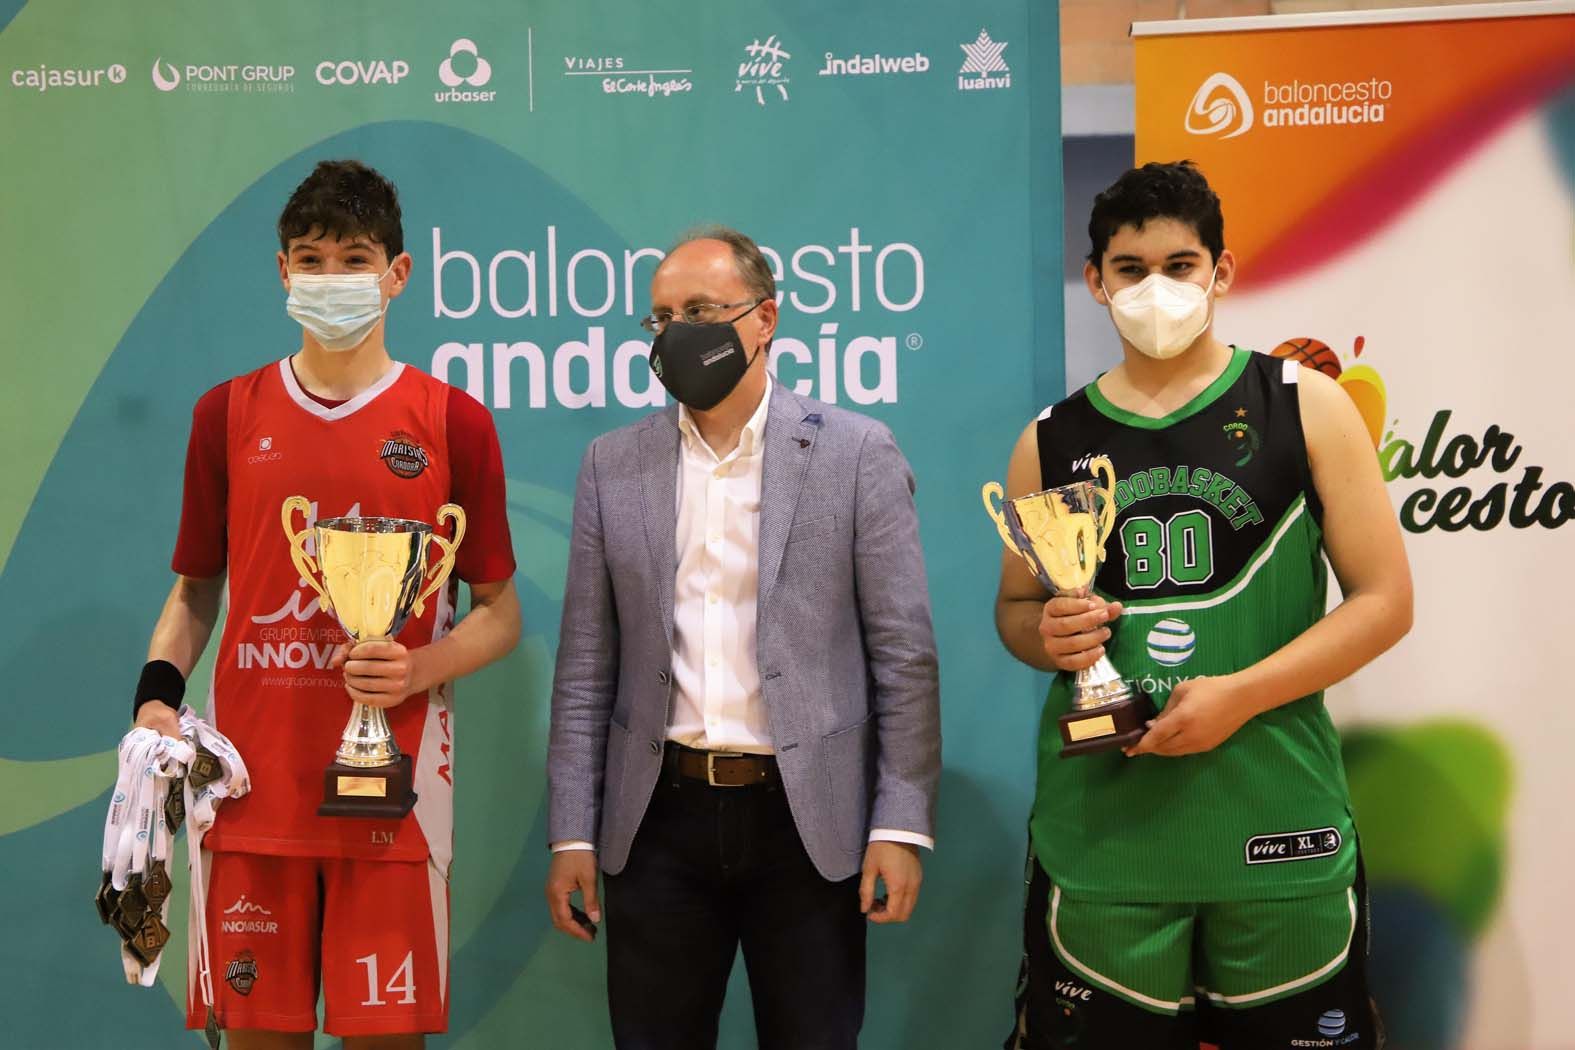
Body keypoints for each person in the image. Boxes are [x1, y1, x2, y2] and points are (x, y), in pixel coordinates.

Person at [994, 161, 1412, 1049]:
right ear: (1096, 280)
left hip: (1276, 830)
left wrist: (1242, 695)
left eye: (1179, 266)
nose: (1156, 289)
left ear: (1220, 273)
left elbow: (1383, 602)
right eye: (1130, 268)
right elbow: (1018, 614)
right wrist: (1048, 633)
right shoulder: (1050, 440)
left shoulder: (1308, 407)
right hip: (1104, 840)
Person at [128, 158, 520, 1049]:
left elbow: (499, 609)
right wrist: (156, 692)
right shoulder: (225, 414)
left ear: (397, 274)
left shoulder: (453, 421)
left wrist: (419, 665)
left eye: (354, 259)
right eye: (310, 257)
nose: (332, 278)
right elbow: (195, 588)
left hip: (394, 801)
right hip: (247, 795)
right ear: (281, 272)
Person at [544, 226, 941, 1050]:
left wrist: (898, 825)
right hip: (655, 824)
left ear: (764, 319)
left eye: (699, 310)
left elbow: (903, 654)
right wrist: (573, 832)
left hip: (807, 824)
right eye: (659, 319)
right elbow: (585, 668)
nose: (675, 334)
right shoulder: (610, 465)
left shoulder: (856, 452)